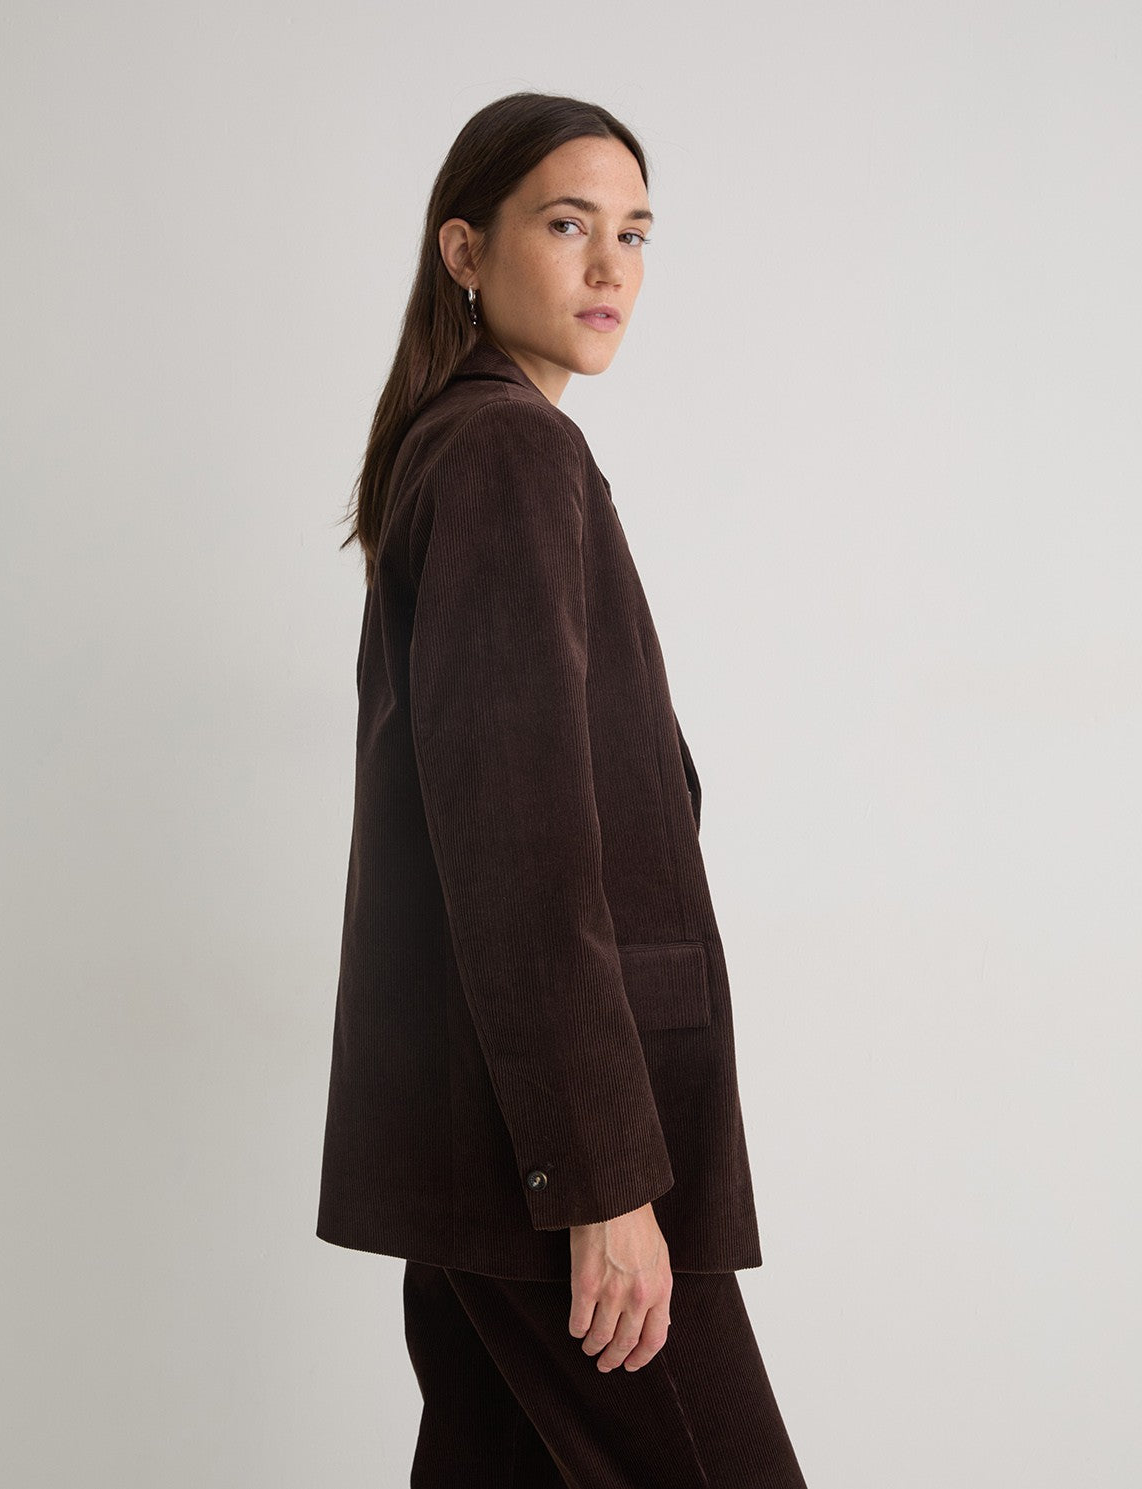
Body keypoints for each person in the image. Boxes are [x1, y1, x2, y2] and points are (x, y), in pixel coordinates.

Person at [316, 91, 809, 1487]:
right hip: (554, 1163)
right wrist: (600, 1180)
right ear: (465, 251)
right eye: (568, 224)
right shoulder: (506, 451)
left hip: (490, 1146)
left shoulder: (464, 447)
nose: (610, 268)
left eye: (635, 234)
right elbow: (520, 846)